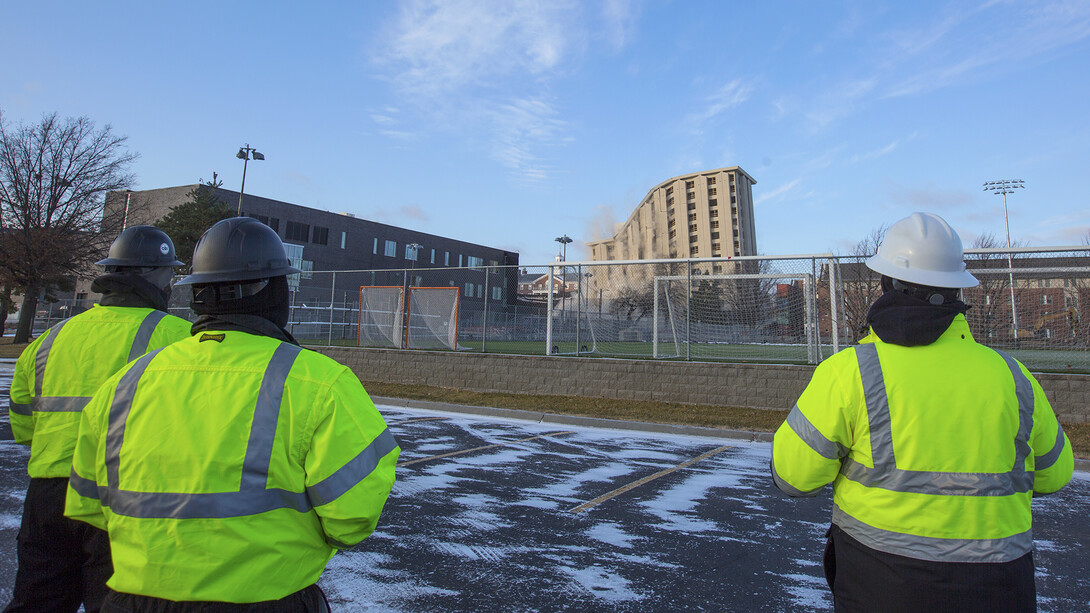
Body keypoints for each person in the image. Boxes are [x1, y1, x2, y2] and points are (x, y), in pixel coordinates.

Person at [65, 217, 399, 611]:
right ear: (275, 291)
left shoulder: (126, 382)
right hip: (267, 598)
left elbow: (89, 506)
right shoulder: (319, 382)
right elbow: (352, 518)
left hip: (134, 599)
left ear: (197, 293)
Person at [771, 212, 1074, 612]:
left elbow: (793, 477)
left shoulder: (850, 373)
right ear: (955, 291)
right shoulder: (1013, 377)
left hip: (880, 586)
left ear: (886, 285)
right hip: (1000, 588)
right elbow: (1056, 474)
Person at [5, 226, 192, 613]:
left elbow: (23, 425)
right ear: (156, 278)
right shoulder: (179, 339)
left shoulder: (51, 339)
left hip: (49, 496)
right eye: (169, 275)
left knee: (36, 602)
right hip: (121, 496)